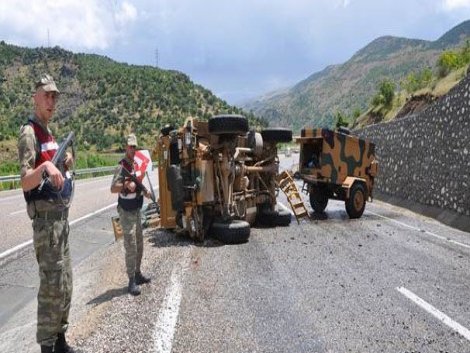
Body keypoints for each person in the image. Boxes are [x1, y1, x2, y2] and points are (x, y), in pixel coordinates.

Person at [18, 74, 77, 353]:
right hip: (46, 226)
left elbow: (57, 173)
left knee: (65, 284)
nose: (51, 101)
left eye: (55, 96)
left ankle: (61, 340)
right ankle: (47, 347)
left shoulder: (51, 134)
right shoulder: (29, 133)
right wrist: (45, 168)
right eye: (47, 96)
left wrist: (66, 162)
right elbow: (26, 180)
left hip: (61, 222)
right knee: (51, 289)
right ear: (36, 98)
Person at [110, 134, 151, 296]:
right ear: (125, 147)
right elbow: (113, 188)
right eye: (130, 147)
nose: (132, 149)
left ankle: (138, 273)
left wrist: (144, 190)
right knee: (131, 246)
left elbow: (138, 183)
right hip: (126, 212)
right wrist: (127, 184)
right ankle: (131, 281)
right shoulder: (121, 167)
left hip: (136, 209)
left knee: (140, 243)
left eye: (134, 147)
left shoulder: (136, 165)